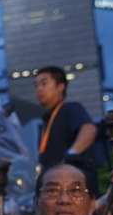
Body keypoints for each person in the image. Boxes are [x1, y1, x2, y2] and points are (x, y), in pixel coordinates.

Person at [34, 65, 99, 194]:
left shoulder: (70, 108)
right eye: (36, 86)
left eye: (44, 84)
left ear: (60, 87)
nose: (39, 89)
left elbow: (89, 129)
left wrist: (71, 155)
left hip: (73, 183)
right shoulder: (47, 119)